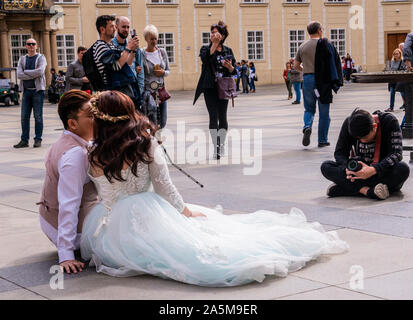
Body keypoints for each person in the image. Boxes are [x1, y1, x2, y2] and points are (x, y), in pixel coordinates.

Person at [80, 90, 348, 287]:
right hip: (150, 211)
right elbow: (164, 187)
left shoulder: (92, 154)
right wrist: (184, 212)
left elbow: (104, 195)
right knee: (202, 244)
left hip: (114, 227)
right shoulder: (144, 144)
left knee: (159, 252)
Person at [37, 90, 98, 274]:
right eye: (91, 116)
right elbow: (68, 204)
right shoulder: (75, 155)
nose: (98, 118)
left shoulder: (67, 140)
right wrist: (66, 254)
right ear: (72, 123)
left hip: (47, 216)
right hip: (65, 227)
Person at [321, 109, 409, 200]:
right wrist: (347, 169)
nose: (362, 141)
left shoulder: (389, 121)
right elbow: (340, 153)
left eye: (365, 137)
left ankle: (347, 188)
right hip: (357, 173)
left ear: (374, 126)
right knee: (326, 166)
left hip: (381, 172)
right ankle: (368, 191)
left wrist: (374, 169)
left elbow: (396, 154)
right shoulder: (349, 124)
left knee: (402, 169)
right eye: (359, 139)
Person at [294, 21, 343, 148]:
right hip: (322, 81)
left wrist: (306, 71)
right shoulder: (326, 44)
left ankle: (307, 126)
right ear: (319, 30)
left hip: (308, 80)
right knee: (324, 112)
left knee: (309, 109)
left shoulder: (303, 46)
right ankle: (322, 140)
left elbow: (295, 65)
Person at [193, 21, 237, 160]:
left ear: (223, 36)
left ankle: (221, 144)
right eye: (211, 32)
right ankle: (216, 147)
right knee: (213, 116)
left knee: (223, 117)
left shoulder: (228, 51)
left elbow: (234, 71)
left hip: (223, 87)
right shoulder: (205, 49)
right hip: (210, 87)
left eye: (216, 32)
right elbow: (206, 60)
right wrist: (214, 44)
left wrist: (230, 67)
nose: (213, 34)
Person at [92, 15, 140, 108]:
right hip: (110, 95)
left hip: (119, 94)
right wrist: (128, 48)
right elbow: (116, 67)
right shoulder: (100, 46)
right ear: (102, 29)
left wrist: (133, 50)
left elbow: (126, 65)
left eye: (114, 26)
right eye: (111, 26)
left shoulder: (112, 45)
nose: (115, 29)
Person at [14, 38, 47, 149]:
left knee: (38, 117)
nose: (31, 46)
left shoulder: (41, 57)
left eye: (33, 44)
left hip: (38, 91)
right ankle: (24, 140)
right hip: (26, 92)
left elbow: (40, 71)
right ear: (26, 46)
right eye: (29, 44)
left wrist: (25, 72)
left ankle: (38, 139)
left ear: (36, 46)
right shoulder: (22, 59)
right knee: (24, 117)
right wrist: (33, 73)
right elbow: (19, 74)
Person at [111, 16, 144, 108]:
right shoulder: (112, 45)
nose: (126, 29)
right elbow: (117, 67)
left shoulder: (134, 46)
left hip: (134, 91)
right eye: (123, 27)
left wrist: (140, 90)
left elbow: (140, 71)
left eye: (128, 27)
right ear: (117, 27)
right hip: (120, 91)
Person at [141, 24, 171, 129]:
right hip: (148, 91)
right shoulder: (141, 53)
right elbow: (140, 73)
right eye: (151, 39)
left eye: (155, 38)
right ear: (146, 39)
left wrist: (162, 73)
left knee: (162, 121)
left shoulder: (162, 52)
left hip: (161, 91)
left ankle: (157, 139)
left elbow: (168, 71)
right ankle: (153, 142)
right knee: (151, 121)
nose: (154, 41)